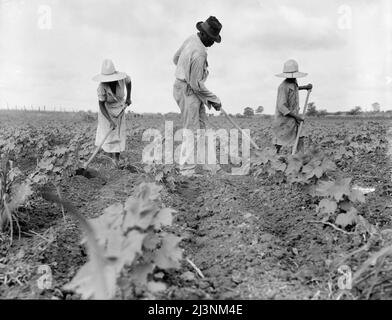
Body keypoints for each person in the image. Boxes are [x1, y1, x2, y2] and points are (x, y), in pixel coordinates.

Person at [173, 16, 223, 176]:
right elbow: (195, 85)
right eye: (212, 40)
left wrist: (185, 69)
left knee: (204, 128)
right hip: (188, 91)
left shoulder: (191, 38)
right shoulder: (200, 53)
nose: (213, 43)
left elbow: (175, 58)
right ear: (204, 34)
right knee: (191, 130)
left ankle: (210, 166)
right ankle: (186, 170)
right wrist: (214, 99)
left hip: (184, 87)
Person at [92, 59, 132, 166]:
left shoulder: (123, 79)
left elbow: (129, 82)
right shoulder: (101, 87)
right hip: (106, 110)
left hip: (119, 107)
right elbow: (101, 104)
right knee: (108, 136)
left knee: (118, 134)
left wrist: (128, 97)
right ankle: (109, 160)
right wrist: (109, 120)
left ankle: (117, 160)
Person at [272, 59, 312, 154]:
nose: (293, 77)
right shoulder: (282, 87)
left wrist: (305, 87)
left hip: (294, 117)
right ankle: (273, 157)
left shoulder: (293, 82)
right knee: (280, 141)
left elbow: (294, 89)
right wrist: (296, 116)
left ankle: (300, 157)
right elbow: (281, 107)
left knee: (300, 135)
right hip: (284, 119)